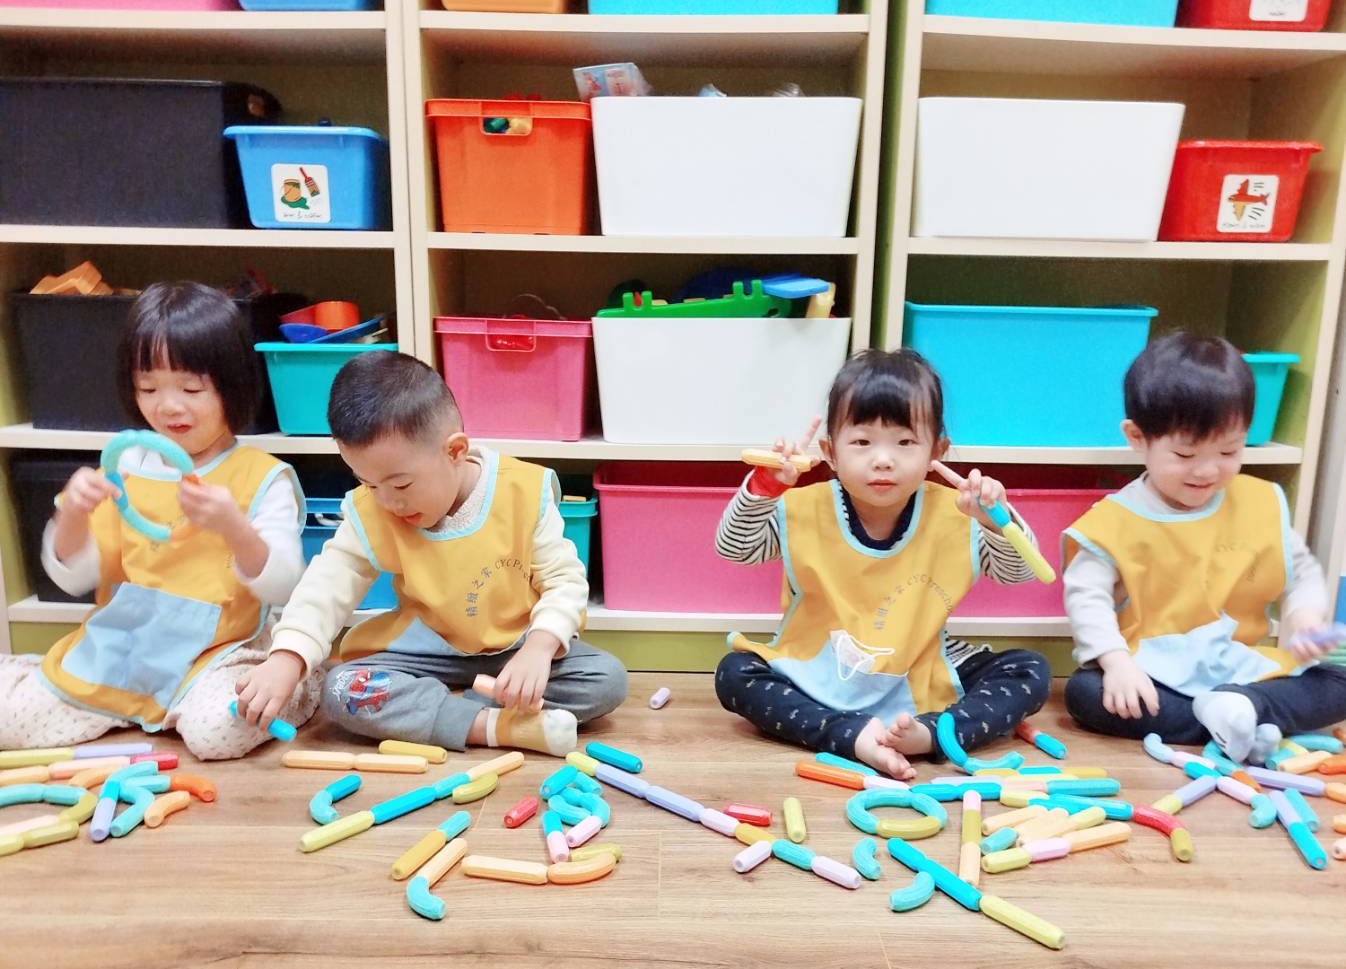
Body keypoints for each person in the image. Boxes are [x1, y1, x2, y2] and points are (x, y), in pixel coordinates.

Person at [235, 350, 627, 757]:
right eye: (369, 484)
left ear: (455, 451)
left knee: (606, 678)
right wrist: (287, 657)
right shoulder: (371, 511)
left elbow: (564, 580)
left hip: (516, 646)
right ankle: (491, 726)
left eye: (401, 485)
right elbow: (327, 586)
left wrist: (539, 649)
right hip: (425, 653)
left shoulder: (522, 491)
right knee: (340, 689)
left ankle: (447, 712)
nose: (388, 502)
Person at [0, 281, 314, 758]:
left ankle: (303, 684)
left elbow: (283, 585)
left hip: (214, 655)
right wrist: (73, 515)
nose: (168, 406)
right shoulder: (124, 467)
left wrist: (233, 527)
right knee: (10, 720)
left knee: (217, 733)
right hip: (124, 650)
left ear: (232, 386)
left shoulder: (261, 478)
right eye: (148, 388)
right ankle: (40, 678)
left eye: (191, 388)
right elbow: (75, 578)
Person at [714, 348, 1051, 780]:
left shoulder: (960, 511)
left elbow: (1018, 572)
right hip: (820, 667)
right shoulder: (803, 506)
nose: (883, 459)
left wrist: (996, 521)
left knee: (1030, 670)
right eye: (862, 442)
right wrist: (764, 488)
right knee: (735, 673)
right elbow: (736, 548)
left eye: (905, 442)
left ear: (938, 450)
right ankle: (851, 734)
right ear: (830, 452)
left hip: (921, 666)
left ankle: (931, 734)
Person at [1063, 332, 1346, 762]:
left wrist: (1305, 617)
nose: (1207, 471)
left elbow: (1301, 571)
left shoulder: (1258, 502)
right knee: (1086, 692)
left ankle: (1244, 710)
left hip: (1240, 668)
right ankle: (1239, 720)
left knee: (1339, 681)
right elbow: (1087, 600)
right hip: (1153, 671)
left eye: (1229, 451)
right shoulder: (1112, 522)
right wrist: (1116, 661)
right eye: (1185, 455)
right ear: (1137, 437)